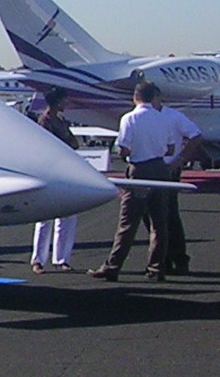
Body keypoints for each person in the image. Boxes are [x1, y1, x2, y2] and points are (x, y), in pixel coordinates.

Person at [88, 82, 176, 281]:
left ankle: (113, 266)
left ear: (136, 97)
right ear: (153, 97)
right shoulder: (163, 119)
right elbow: (170, 149)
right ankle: (156, 268)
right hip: (160, 169)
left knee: (128, 222)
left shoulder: (130, 118)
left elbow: (124, 149)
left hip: (140, 169)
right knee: (159, 222)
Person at [147, 95, 203, 274]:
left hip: (168, 170)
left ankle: (178, 258)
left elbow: (196, 136)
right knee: (150, 216)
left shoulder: (173, 116)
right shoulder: (142, 117)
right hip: (149, 169)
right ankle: (163, 259)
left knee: (169, 214)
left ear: (158, 99)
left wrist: (181, 160)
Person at [30, 88, 80, 273]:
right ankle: (38, 259)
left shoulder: (61, 121)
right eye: (64, 100)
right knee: (45, 219)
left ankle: (62, 258)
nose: (66, 103)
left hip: (65, 171)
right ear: (57, 101)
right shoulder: (45, 121)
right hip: (49, 172)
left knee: (67, 218)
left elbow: (74, 143)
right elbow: (51, 145)